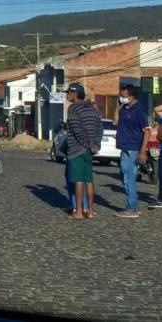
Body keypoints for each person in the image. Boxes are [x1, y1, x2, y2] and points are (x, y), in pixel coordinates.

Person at [64, 83, 102, 220]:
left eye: (69, 92)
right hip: (90, 150)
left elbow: (77, 130)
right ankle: (90, 211)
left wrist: (88, 144)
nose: (67, 95)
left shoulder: (73, 109)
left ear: (75, 94)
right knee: (89, 180)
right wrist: (95, 145)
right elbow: (100, 128)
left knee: (78, 180)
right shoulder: (93, 110)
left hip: (77, 149)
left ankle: (79, 212)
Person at [112, 84, 148, 218]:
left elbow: (147, 131)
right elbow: (115, 122)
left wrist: (143, 151)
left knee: (129, 179)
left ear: (132, 96)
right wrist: (118, 105)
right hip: (124, 146)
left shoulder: (140, 110)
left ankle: (131, 208)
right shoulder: (124, 108)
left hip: (133, 148)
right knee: (125, 177)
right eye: (120, 96)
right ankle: (133, 205)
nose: (121, 98)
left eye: (124, 96)